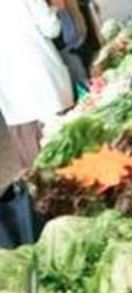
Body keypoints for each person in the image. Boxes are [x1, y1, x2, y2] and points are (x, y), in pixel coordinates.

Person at [0, 0, 75, 169]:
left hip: (13, 102)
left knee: (39, 168)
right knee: (68, 155)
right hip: (44, 86)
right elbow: (51, 28)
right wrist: (57, 8)